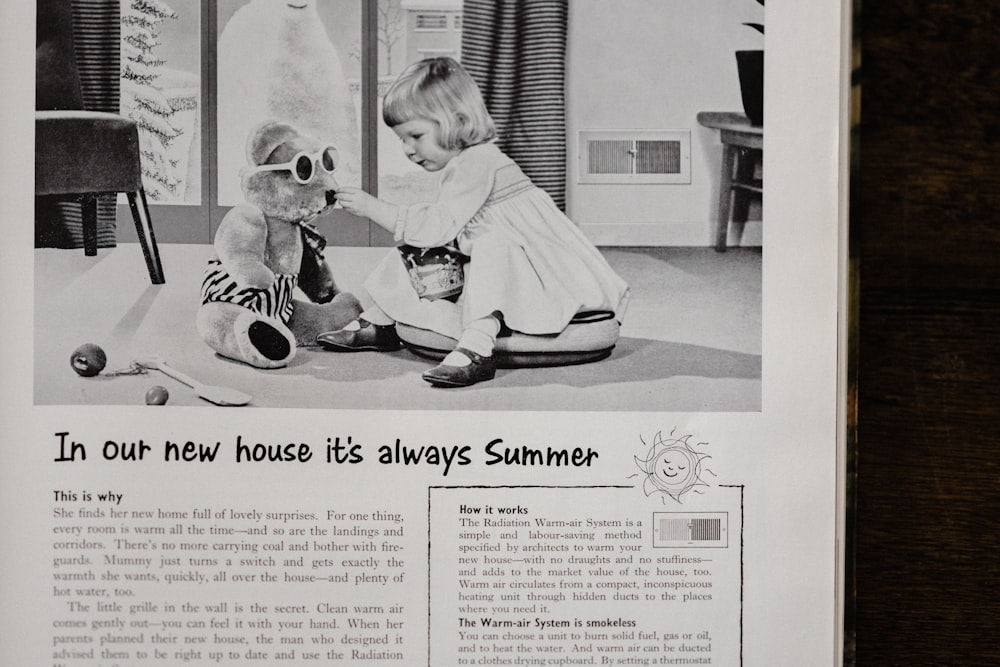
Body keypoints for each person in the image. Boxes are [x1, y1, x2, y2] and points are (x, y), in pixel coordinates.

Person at [318, 57, 629, 387]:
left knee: (484, 244)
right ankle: (380, 319)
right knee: (417, 248)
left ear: (457, 120)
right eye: (402, 140)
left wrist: (372, 207)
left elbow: (438, 226)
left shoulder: (478, 163)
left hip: (537, 275)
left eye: (416, 135)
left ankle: (477, 346)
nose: (408, 149)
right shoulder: (468, 161)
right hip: (505, 262)